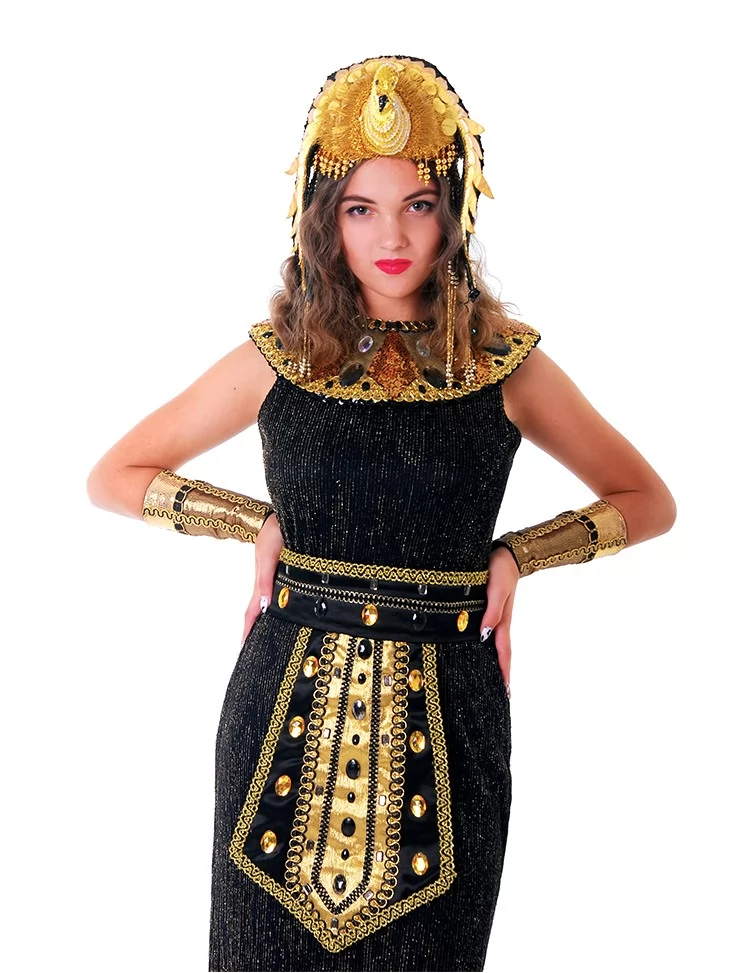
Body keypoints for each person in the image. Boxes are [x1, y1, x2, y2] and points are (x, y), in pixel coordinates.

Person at [86, 54, 676, 972]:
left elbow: (648, 499)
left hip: (450, 728)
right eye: (361, 209)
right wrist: (255, 522)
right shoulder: (281, 356)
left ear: (454, 211)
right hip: (278, 721)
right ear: (325, 218)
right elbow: (116, 473)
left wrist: (518, 554)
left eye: (417, 204)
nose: (391, 235)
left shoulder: (505, 364)